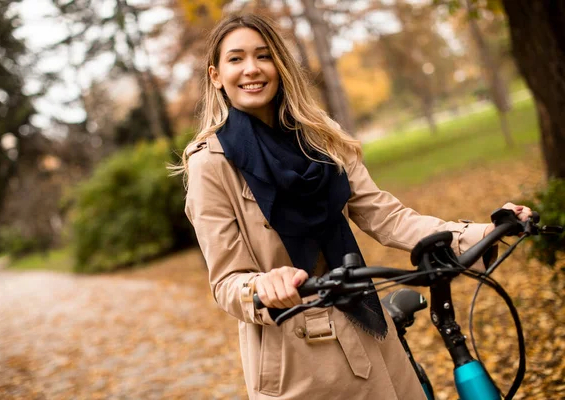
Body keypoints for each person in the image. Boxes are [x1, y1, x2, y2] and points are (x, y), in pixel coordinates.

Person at [179, 13, 532, 400]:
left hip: (368, 328)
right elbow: (227, 282)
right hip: (296, 359)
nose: (252, 69)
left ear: (279, 65)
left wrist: (479, 232)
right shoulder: (210, 163)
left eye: (263, 56)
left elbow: (386, 216)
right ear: (216, 75)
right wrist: (262, 285)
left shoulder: (320, 138)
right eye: (236, 59)